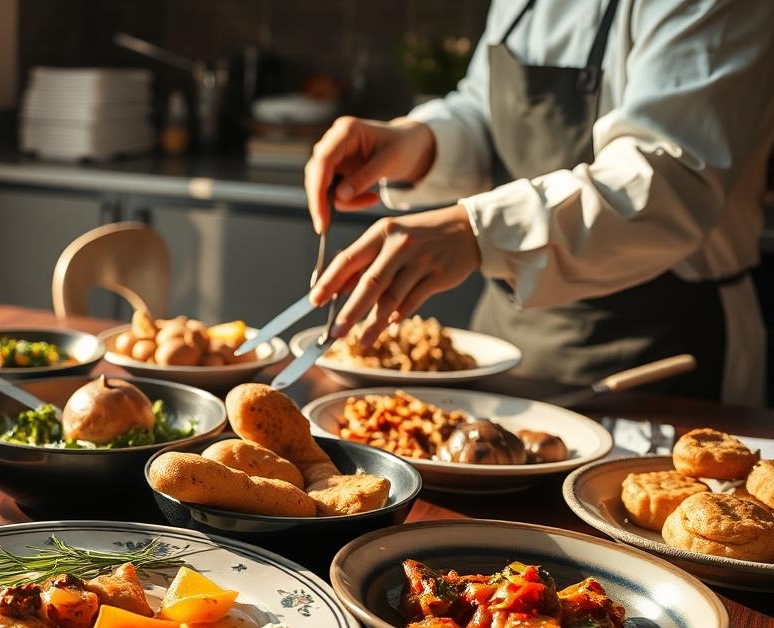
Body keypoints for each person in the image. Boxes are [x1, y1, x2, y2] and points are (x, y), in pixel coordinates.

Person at [304, 0, 774, 405]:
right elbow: (485, 111)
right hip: (507, 339)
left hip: (662, 344)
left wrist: (476, 231)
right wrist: (417, 144)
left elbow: (667, 180)